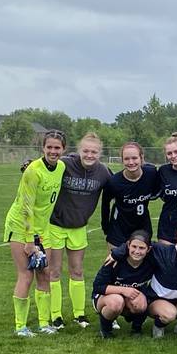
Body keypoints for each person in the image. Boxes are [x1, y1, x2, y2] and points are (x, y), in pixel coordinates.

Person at [45, 132, 112, 330]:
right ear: (78, 150)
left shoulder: (103, 172)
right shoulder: (65, 164)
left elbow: (119, 185)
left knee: (77, 270)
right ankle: (55, 315)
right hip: (55, 225)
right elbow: (44, 167)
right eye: (86, 151)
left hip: (78, 227)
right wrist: (27, 164)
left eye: (94, 152)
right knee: (54, 271)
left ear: (99, 153)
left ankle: (79, 314)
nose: (89, 155)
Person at [3, 130, 66, 337]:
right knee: (26, 275)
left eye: (57, 147)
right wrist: (30, 242)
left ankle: (43, 323)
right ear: (43, 148)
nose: (53, 151)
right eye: (49, 147)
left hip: (42, 228)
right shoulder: (33, 171)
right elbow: (27, 207)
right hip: (21, 226)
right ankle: (20, 326)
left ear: (63, 149)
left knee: (44, 274)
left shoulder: (62, 167)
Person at [92, 230, 154, 338]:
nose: (137, 251)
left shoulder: (151, 262)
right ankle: (106, 330)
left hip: (131, 298)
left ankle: (136, 329)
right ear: (128, 245)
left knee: (141, 302)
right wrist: (123, 290)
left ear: (148, 249)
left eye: (142, 248)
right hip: (105, 298)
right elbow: (98, 286)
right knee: (116, 302)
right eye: (134, 246)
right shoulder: (114, 260)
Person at [100, 141, 158, 250]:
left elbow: (159, 188)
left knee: (142, 264)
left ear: (141, 158)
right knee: (114, 265)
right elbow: (105, 204)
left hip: (143, 228)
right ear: (122, 160)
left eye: (134, 158)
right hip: (119, 230)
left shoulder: (151, 173)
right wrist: (106, 227)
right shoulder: (114, 182)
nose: (131, 162)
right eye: (126, 159)